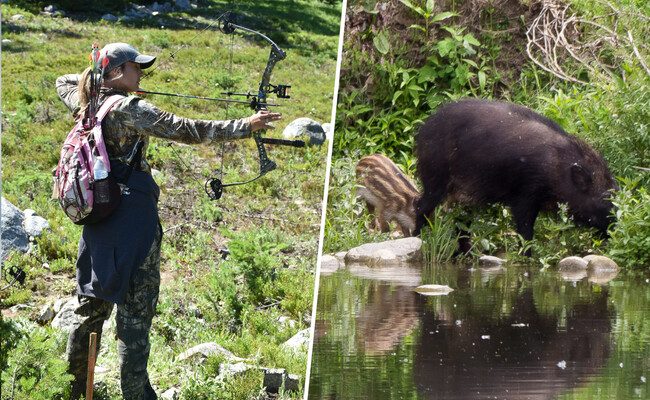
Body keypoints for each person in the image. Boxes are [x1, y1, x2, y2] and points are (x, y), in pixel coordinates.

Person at [55, 42, 281, 400]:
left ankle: (69, 387)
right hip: (132, 222)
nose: (141, 73)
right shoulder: (131, 109)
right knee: (135, 316)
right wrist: (245, 125)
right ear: (117, 72)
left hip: (98, 218)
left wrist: (105, 82)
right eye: (135, 67)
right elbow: (187, 129)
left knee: (91, 305)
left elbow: (63, 80)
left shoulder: (86, 101)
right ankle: (136, 394)